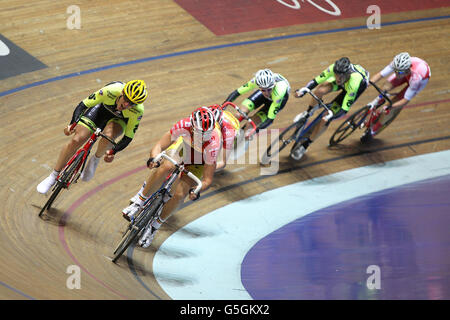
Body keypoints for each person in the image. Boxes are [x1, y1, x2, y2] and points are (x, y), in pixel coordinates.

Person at [122, 107, 222, 248]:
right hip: (183, 148)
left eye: (207, 134)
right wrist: (154, 158)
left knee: (180, 194)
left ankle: (153, 227)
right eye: (200, 133)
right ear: (192, 127)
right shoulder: (184, 125)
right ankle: (139, 201)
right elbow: (159, 146)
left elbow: (207, 180)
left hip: (200, 161)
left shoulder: (213, 144)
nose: (203, 137)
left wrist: (196, 190)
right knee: (167, 166)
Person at [37, 80, 148, 194]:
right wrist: (72, 124)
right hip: (100, 111)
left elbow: (128, 137)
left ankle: (95, 159)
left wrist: (113, 151)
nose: (126, 105)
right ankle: (53, 176)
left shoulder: (137, 111)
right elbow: (83, 105)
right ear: (121, 93)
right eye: (126, 100)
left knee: (108, 136)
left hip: (118, 121)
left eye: (132, 104)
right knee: (76, 140)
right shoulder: (111, 90)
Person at [291, 57, 369, 160]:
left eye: (341, 76)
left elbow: (344, 108)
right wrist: (303, 90)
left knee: (325, 118)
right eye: (336, 75)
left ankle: (305, 145)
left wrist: (331, 116)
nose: (338, 78)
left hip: (353, 88)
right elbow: (316, 80)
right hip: (345, 83)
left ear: (347, 74)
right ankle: (308, 113)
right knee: (320, 90)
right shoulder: (334, 69)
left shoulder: (354, 82)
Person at [360, 52, 431, 143]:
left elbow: (405, 100)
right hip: (407, 73)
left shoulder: (416, 79)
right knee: (385, 87)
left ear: (407, 69)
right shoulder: (398, 65)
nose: (397, 74)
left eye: (399, 72)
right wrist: (367, 84)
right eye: (395, 71)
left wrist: (390, 107)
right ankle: (379, 100)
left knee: (392, 106)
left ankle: (374, 130)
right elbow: (380, 75)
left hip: (420, 80)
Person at [223, 69, 290, 132]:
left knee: (249, 127)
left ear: (274, 85)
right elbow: (237, 92)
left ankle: (241, 141)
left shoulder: (279, 92)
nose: (266, 93)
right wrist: (223, 106)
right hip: (266, 92)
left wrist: (256, 130)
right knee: (239, 114)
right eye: (263, 90)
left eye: (269, 89)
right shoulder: (255, 81)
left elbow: (270, 119)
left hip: (277, 99)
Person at [208, 104, 240, 171]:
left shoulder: (229, 133)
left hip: (230, 129)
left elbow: (222, 163)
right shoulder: (204, 114)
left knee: (222, 162)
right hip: (221, 121)